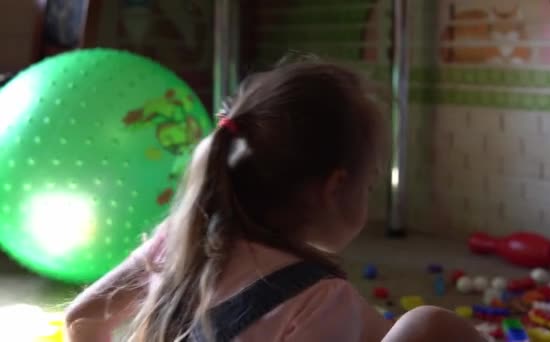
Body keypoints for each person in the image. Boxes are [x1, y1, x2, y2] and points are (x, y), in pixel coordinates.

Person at [65, 60, 484, 342]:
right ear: (335, 187)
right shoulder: (319, 299)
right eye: (369, 185)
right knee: (428, 325)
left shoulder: (178, 241)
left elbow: (82, 317)